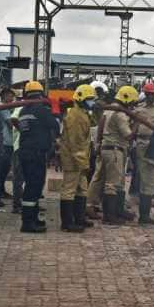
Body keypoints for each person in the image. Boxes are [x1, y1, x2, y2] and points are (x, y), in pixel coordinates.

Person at [89, 85, 138, 225]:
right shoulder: (120, 114)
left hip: (106, 148)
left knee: (116, 181)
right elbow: (128, 136)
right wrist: (136, 123)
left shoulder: (109, 110)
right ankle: (110, 215)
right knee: (112, 183)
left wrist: (98, 144)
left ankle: (117, 210)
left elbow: (100, 127)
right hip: (115, 150)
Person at [15, 81, 59, 233]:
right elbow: (56, 126)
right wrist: (56, 109)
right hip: (36, 154)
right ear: (41, 94)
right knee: (34, 187)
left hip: (25, 152)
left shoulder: (22, 112)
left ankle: (32, 218)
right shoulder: (41, 110)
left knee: (31, 185)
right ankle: (27, 223)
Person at [58, 84, 96, 232]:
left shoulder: (82, 113)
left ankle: (79, 218)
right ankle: (67, 223)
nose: (92, 102)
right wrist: (84, 163)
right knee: (69, 190)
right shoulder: (75, 115)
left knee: (82, 189)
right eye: (89, 99)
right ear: (81, 99)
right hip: (73, 160)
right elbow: (76, 143)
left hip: (79, 159)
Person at [132, 83, 154, 197]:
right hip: (141, 142)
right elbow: (133, 126)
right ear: (146, 95)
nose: (152, 97)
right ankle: (144, 196)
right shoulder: (139, 109)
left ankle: (152, 194)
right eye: (150, 94)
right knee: (142, 171)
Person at [0, 88, 16, 199]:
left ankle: (1, 190)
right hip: (5, 142)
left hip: (10, 142)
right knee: (3, 168)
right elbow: (10, 124)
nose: (11, 99)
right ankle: (0, 191)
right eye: (9, 96)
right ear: (3, 97)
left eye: (12, 97)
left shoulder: (9, 109)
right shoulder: (3, 109)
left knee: (5, 168)